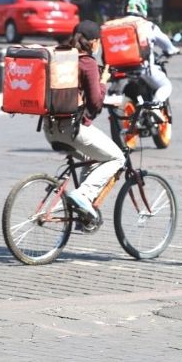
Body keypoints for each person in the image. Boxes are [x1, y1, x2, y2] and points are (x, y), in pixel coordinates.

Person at [44, 20, 125, 222]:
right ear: (95, 42)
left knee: (92, 158)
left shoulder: (60, 57)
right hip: (73, 130)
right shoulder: (87, 62)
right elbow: (96, 104)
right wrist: (103, 82)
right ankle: (83, 195)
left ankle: (83, 213)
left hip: (50, 129)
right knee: (117, 158)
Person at [121, 0, 180, 105]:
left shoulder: (115, 25)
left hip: (119, 70)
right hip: (142, 69)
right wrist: (172, 50)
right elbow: (166, 44)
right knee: (166, 86)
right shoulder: (148, 25)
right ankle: (154, 108)